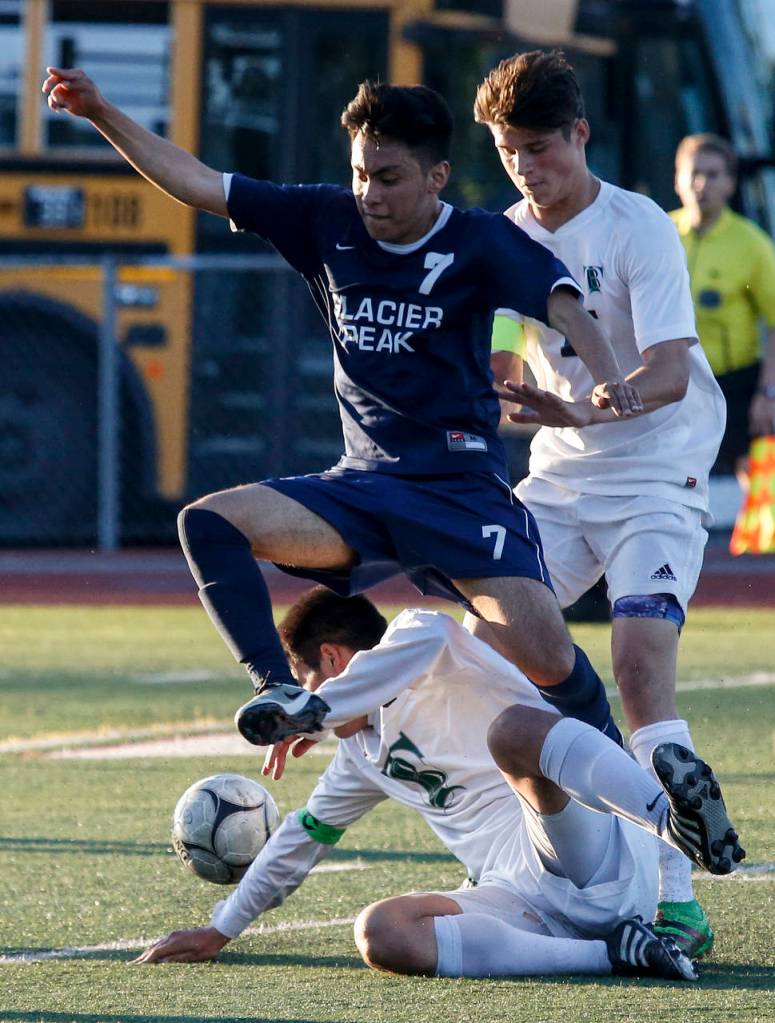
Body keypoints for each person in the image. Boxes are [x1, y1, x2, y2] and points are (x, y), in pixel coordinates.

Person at [43, 68, 641, 748]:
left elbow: (563, 303)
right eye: (360, 174)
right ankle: (279, 688)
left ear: (436, 176)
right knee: (207, 523)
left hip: (459, 494)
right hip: (362, 488)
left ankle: (645, 792)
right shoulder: (323, 217)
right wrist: (100, 113)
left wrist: (608, 379)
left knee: (550, 662)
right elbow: (198, 182)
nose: (368, 194)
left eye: (387, 178)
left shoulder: (480, 240)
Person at [132, 588, 741, 978]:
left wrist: (317, 711)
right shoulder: (359, 759)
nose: (305, 698)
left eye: (303, 679)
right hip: (525, 907)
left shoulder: (424, 640)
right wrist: (220, 928)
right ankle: (617, 955)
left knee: (513, 735)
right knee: (380, 934)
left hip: (596, 861)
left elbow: (423, 637)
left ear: (336, 660)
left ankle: (670, 817)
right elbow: (300, 838)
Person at [472, 50, 728, 959]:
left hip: (658, 472)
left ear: (580, 135)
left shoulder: (639, 228)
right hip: (560, 479)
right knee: (487, 654)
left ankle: (678, 894)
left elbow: (660, 375)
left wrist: (582, 403)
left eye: (539, 148)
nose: (526, 168)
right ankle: (533, 864)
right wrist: (497, 397)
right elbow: (502, 366)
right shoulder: (500, 235)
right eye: (508, 152)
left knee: (637, 667)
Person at [672, 132, 775, 479]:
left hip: (734, 389)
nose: (702, 184)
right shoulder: (659, 232)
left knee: (742, 497)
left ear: (730, 184)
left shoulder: (752, 244)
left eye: (713, 174)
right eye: (694, 173)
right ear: (678, 180)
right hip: (673, 386)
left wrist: (768, 393)